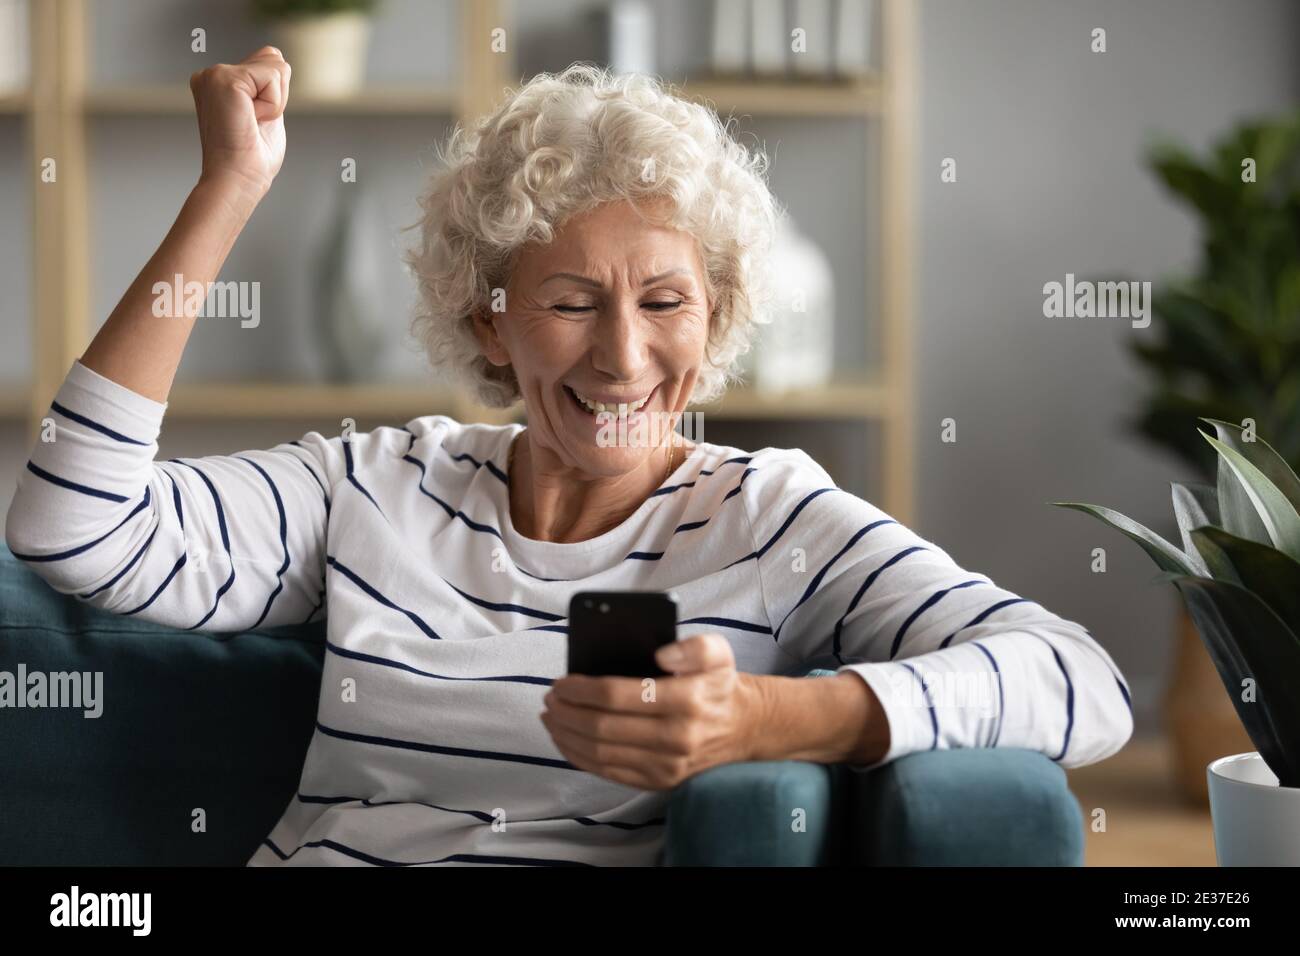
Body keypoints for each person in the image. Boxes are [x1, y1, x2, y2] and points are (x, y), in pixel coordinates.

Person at [5, 49, 1132, 866]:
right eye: (571, 300)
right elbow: (72, 523)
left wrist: (766, 718)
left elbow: (1078, 681)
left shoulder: (774, 516)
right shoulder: (375, 483)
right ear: (491, 320)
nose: (624, 354)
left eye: (665, 300)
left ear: (717, 313)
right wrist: (227, 188)